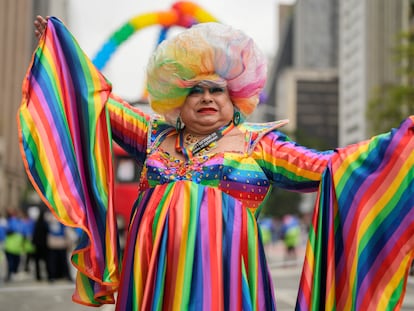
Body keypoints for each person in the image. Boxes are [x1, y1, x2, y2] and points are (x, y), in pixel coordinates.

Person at [19, 16, 413, 310]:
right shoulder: (155, 134)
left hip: (227, 287)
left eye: (217, 91)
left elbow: (333, 167)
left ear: (236, 96)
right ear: (176, 98)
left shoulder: (261, 144)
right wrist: (59, 54)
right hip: (155, 283)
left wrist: (401, 144)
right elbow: (95, 105)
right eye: (194, 91)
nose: (206, 98)